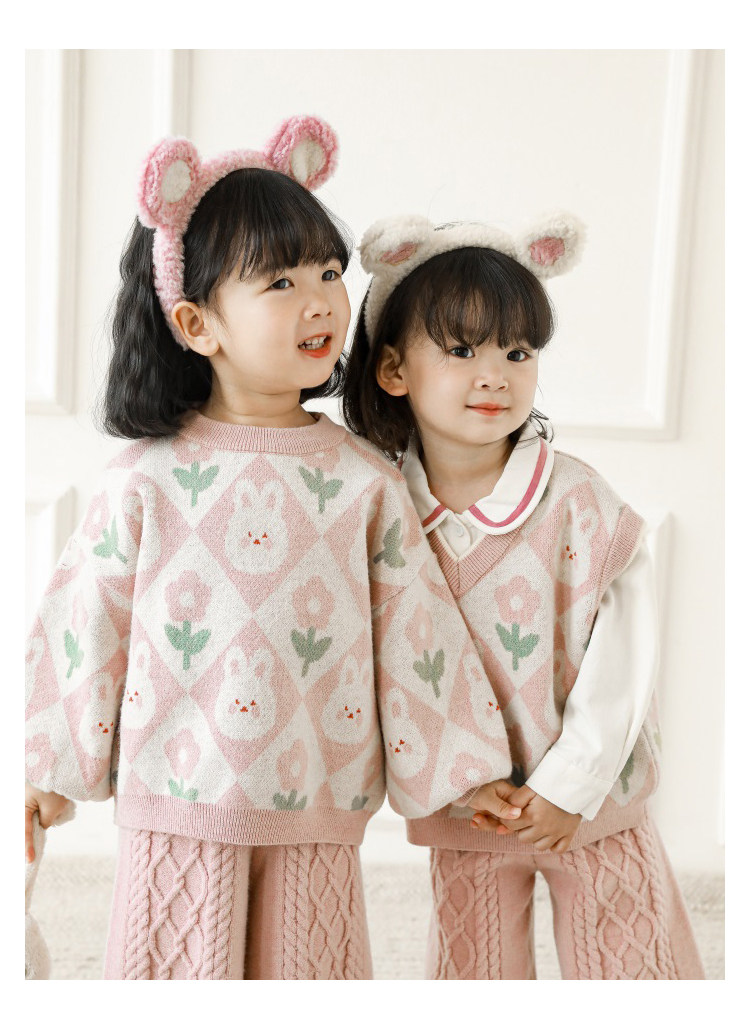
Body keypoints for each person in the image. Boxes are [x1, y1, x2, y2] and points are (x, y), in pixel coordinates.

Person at [24, 123, 520, 980]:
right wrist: (44, 767)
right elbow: (85, 624)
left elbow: (417, 634)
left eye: (329, 272)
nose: (321, 300)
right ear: (196, 323)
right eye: (281, 281)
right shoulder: (143, 481)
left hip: (315, 803)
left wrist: (464, 770)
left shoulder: (365, 482)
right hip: (175, 802)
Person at [341, 212, 705, 979]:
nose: (495, 374)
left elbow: (623, 662)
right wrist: (451, 775)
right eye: (462, 350)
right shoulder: (381, 511)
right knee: (474, 971)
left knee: (634, 966)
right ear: (394, 370)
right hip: (467, 805)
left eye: (518, 352)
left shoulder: (580, 504)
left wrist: (574, 785)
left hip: (593, 807)